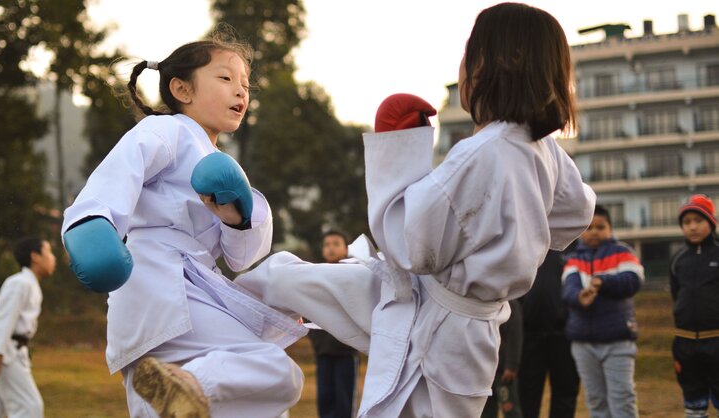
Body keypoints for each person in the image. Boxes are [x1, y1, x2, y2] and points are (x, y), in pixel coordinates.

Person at [237, 3, 596, 417]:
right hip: (462, 316)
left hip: (442, 322)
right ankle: (213, 332)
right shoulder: (541, 149)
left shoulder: (483, 153)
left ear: (494, 64)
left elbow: (409, 247)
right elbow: (575, 213)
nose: (462, 66)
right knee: (290, 279)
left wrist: (399, 153)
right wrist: (513, 232)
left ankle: (208, 334)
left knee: (290, 281)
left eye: (469, 53)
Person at [60, 33, 306, 418]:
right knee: (276, 373)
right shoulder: (168, 130)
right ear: (181, 89)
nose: (240, 92)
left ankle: (186, 385)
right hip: (163, 282)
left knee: (202, 407)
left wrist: (237, 219)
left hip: (184, 293)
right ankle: (193, 382)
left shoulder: (224, 164)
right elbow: (120, 172)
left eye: (245, 85)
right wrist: (91, 222)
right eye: (226, 79)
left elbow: (241, 259)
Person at [562, 205, 643, 418]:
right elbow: (568, 290)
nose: (595, 231)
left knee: (622, 398)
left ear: (610, 228)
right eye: (589, 228)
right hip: (583, 343)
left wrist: (602, 282)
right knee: (595, 400)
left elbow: (633, 281)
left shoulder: (623, 252)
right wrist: (580, 297)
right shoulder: (573, 260)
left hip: (618, 340)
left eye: (601, 226)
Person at [0, 236, 56, 418]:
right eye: (49, 252)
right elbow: (3, 320)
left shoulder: (29, 284)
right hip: (5, 353)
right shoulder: (19, 283)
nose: (53, 258)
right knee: (30, 407)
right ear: (35, 256)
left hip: (10, 352)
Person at [670, 194, 719, 418]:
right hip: (685, 342)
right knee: (693, 402)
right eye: (687, 222)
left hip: (716, 339)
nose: (692, 227)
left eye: (698, 221)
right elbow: (675, 294)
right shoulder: (678, 260)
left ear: (711, 222)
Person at [518, 249, 580, 418]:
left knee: (565, 392)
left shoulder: (574, 248)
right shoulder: (527, 245)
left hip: (565, 336)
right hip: (528, 335)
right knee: (526, 395)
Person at [308, 230, 359, 418]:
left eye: (336, 244)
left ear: (346, 249)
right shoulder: (316, 276)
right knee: (325, 399)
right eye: (327, 244)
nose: (331, 248)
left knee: (343, 403)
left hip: (346, 351)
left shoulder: (354, 275)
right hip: (323, 352)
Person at [482, 299, 523, 418]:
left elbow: (515, 336)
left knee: (510, 409)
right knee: (485, 411)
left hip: (503, 372)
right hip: (484, 370)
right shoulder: (480, 302)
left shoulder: (510, 304)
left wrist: (511, 365)